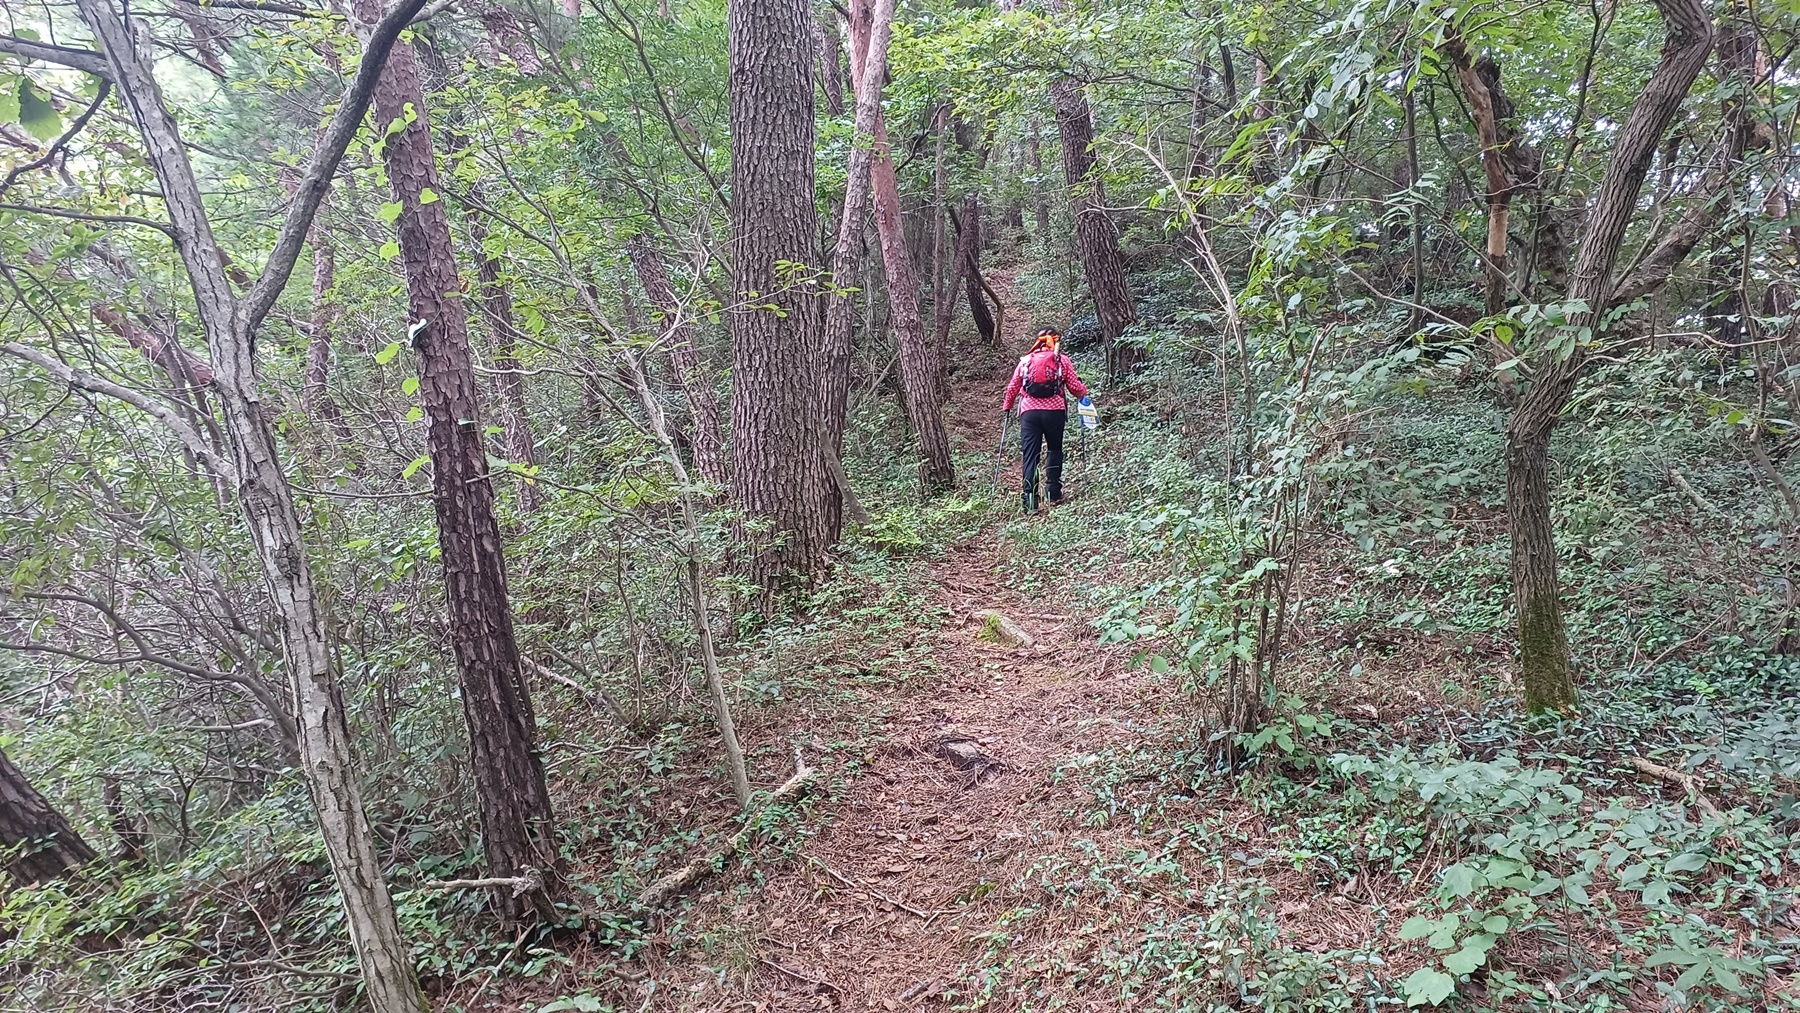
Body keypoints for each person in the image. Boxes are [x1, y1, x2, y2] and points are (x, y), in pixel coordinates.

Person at [1001, 326, 1089, 512]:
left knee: (1030, 455)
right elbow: (1074, 387)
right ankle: (1053, 492)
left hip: (1029, 413)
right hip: (1054, 411)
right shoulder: (1061, 360)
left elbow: (1013, 387)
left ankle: (1030, 501)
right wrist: (1083, 392)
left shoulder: (1026, 361)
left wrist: (1007, 406)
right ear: (1055, 341)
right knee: (1054, 449)